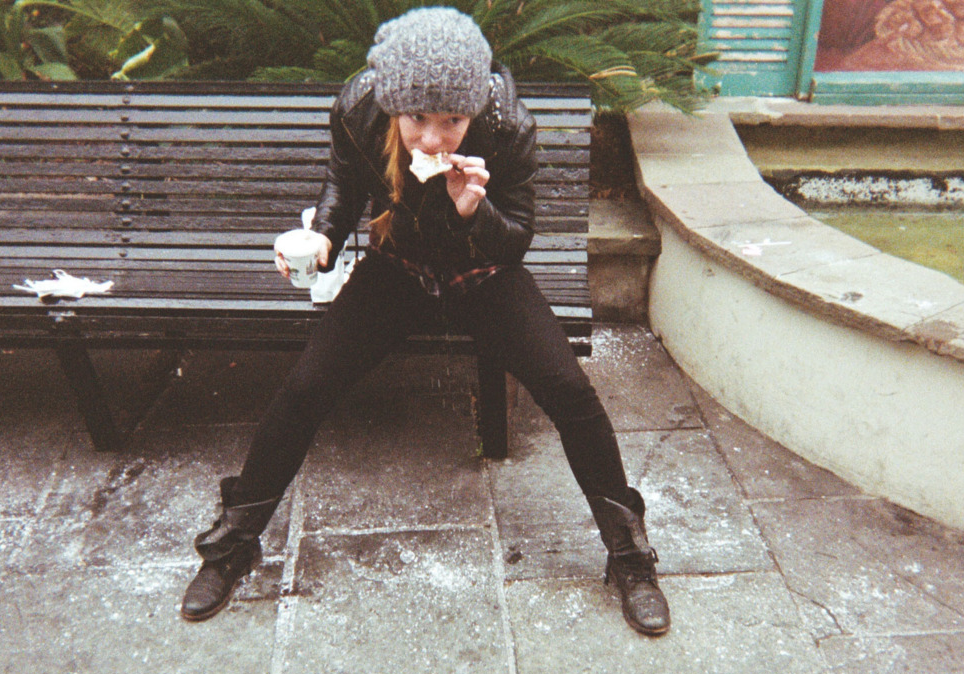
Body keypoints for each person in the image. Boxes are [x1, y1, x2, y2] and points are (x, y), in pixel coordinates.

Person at [179, 7, 670, 637]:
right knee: (305, 388)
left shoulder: (506, 124)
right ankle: (232, 547)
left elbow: (513, 246)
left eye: (452, 122)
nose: (435, 140)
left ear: (474, 110)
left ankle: (630, 558)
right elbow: (342, 186)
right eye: (417, 121)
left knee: (571, 393)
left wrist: (476, 210)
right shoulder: (359, 108)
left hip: (481, 276)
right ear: (392, 106)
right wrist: (322, 237)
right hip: (398, 270)